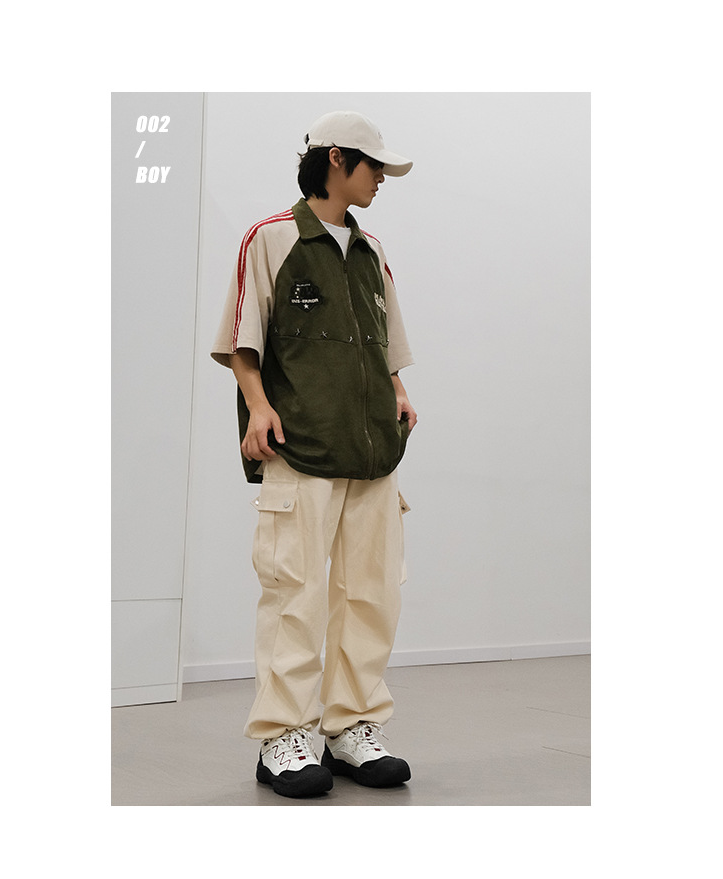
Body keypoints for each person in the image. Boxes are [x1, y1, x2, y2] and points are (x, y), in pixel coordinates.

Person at [211, 110, 417, 798]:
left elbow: (386, 343)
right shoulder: (271, 239)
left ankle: (351, 725)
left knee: (372, 593)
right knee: (293, 593)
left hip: (373, 450)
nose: (381, 178)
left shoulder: (371, 250)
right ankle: (283, 735)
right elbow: (242, 340)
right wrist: (258, 405)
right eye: (374, 166)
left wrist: (398, 392)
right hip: (300, 446)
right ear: (336, 159)